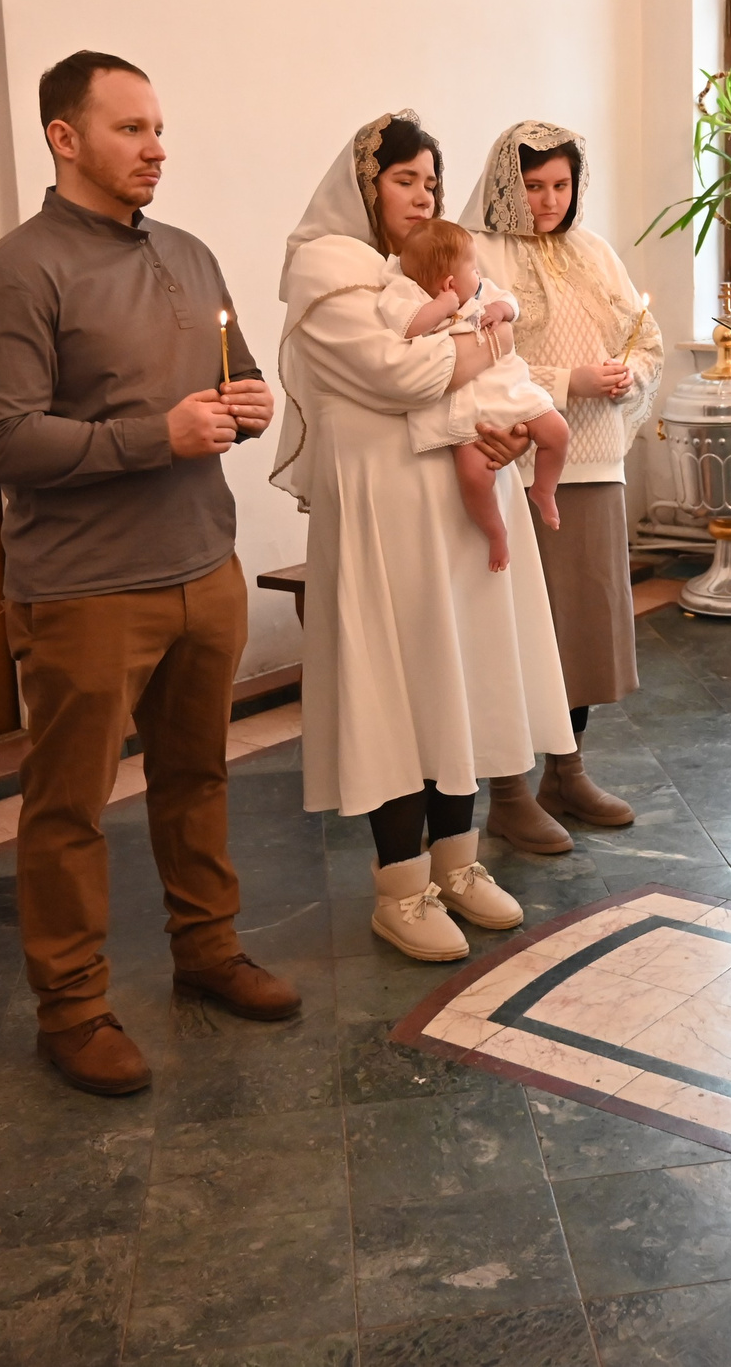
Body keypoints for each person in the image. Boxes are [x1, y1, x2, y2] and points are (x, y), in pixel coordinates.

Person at [0, 50, 300, 1098]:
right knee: (68, 806)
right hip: (85, 588)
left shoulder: (188, 255)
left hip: (203, 563)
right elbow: (1, 442)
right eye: (129, 129)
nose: (155, 148)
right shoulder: (17, 273)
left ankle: (206, 950)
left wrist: (249, 402)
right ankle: (73, 1008)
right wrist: (159, 433)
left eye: (158, 128)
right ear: (65, 137)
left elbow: (230, 373)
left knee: (197, 777)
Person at [272, 110, 574, 962]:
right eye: (404, 179)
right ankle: (400, 890)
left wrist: (508, 424)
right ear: (367, 183)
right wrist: (482, 344)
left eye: (431, 182)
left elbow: (476, 366)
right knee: (396, 691)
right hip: (381, 513)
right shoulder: (325, 269)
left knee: (466, 674)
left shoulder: (433, 264)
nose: (421, 195)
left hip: (457, 502)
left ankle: (459, 865)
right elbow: (397, 374)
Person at [464, 124, 658, 853]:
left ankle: (566, 770)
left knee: (581, 629)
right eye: (534, 186)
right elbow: (471, 358)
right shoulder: (478, 253)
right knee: (518, 632)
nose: (548, 201)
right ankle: (509, 792)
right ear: (507, 184)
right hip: (516, 468)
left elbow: (646, 335)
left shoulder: (594, 250)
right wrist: (565, 382)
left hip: (595, 461)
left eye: (561, 185)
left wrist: (626, 374)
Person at [380, 217, 571, 570]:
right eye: (475, 270)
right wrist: (445, 304)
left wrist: (500, 310)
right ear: (450, 282)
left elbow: (510, 302)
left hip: (508, 389)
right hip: (465, 407)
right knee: (473, 477)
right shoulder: (406, 293)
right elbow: (406, 326)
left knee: (558, 432)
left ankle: (544, 489)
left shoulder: (483, 292)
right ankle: (495, 533)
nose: (480, 276)